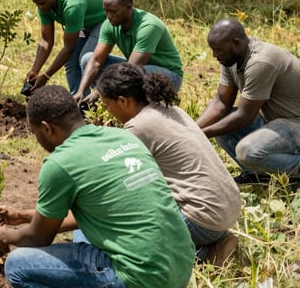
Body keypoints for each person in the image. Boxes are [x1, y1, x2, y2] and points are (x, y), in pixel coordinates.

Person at [0, 85, 194, 288]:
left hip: (145, 284)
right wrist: (22, 216)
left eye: (35, 133)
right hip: (179, 272)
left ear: (47, 128)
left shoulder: (60, 163)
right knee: (83, 233)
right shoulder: (124, 138)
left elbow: (38, 238)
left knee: (17, 266)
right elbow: (92, 212)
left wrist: (3, 235)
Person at [97, 62, 241, 264]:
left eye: (107, 105)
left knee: (122, 241)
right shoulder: (169, 109)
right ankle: (211, 245)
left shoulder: (138, 127)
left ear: (123, 101)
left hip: (201, 220)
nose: (107, 111)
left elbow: (119, 182)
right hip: (227, 211)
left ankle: (202, 256)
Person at [197, 18, 300, 185]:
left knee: (247, 151)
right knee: (222, 123)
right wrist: (192, 130)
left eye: (217, 50)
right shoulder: (231, 58)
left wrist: (202, 134)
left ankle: (294, 174)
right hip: (276, 121)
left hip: (295, 123)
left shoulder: (261, 61)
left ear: (236, 43)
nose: (214, 55)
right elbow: (221, 102)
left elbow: (245, 116)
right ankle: (257, 174)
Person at [74, 0, 183, 104]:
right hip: (136, 69)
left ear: (128, 7)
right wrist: (81, 91)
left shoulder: (149, 26)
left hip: (168, 77)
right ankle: (110, 103)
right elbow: (96, 61)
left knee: (136, 74)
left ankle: (133, 106)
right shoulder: (109, 25)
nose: (109, 16)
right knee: (88, 59)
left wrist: (99, 92)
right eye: (106, 11)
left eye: (113, 12)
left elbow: (131, 69)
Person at [26, 0, 124, 94]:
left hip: (105, 18)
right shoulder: (45, 5)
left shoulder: (72, 6)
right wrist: (35, 70)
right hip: (84, 22)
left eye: (42, 3)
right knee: (71, 59)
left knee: (87, 59)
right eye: (36, 4)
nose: (40, 7)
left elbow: (68, 48)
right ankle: (80, 104)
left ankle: (131, 67)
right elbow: (46, 40)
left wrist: (46, 76)